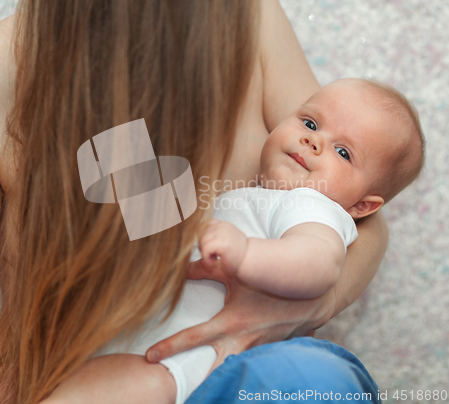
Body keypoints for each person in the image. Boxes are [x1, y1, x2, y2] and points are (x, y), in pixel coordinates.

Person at [0, 0, 388, 403]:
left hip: (234, 376)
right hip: (94, 382)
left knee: (317, 381)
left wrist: (304, 302)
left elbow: (347, 204)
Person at [38, 79, 423, 404]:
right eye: (309, 122)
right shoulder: (257, 196)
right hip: (144, 335)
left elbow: (319, 264)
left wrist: (246, 253)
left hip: (191, 357)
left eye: (343, 152)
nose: (313, 141)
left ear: (361, 206)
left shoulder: (313, 205)